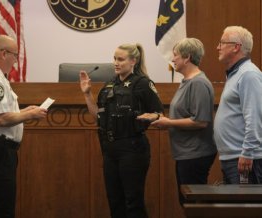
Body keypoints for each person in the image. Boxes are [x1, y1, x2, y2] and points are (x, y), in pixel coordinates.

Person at [79, 43, 164, 218]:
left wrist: (152, 117)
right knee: (115, 201)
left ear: (133, 61)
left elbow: (159, 113)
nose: (116, 63)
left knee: (133, 202)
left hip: (132, 148)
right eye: (114, 59)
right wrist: (87, 94)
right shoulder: (109, 84)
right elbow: (97, 117)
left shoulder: (143, 83)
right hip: (110, 150)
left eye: (121, 59)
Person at [0, 35, 47, 218]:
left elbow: (3, 112)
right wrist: (31, 115)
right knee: (1, 209)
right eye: (15, 55)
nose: (16, 61)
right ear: (4, 54)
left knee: (1, 205)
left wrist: (24, 110)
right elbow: (1, 119)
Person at [137, 38, 217, 205]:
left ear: (187, 57)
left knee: (194, 205)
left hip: (196, 154)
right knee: (186, 202)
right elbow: (184, 114)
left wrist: (168, 123)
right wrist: (159, 118)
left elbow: (200, 121)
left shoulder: (199, 83)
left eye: (176, 55)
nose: (173, 59)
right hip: (185, 153)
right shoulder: (187, 81)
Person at [214, 26, 262, 184]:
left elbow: (255, 117)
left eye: (222, 43)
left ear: (236, 47)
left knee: (246, 208)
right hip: (232, 158)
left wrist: (248, 152)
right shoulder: (235, 73)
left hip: (244, 159)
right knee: (235, 208)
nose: (218, 47)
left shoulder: (248, 74)